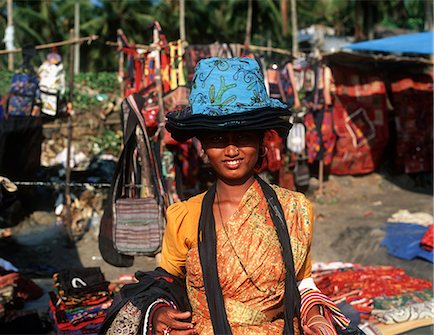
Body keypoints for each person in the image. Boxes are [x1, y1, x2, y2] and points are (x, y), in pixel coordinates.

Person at [102, 57, 352, 335]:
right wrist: (159, 311)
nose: (231, 150)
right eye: (218, 139)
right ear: (203, 146)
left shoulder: (295, 209)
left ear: (261, 142)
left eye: (243, 136)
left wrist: (315, 316)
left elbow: (302, 281)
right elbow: (166, 281)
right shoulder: (184, 216)